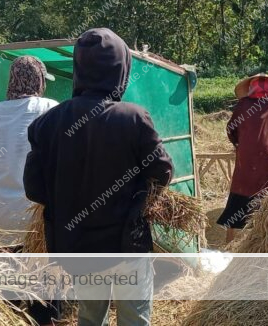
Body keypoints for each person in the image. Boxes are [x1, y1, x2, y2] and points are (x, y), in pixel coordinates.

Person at [23, 28, 173, 326]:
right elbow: (163, 172)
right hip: (126, 245)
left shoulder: (47, 122)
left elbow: (34, 189)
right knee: (134, 319)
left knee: (90, 318)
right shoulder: (133, 118)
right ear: (121, 69)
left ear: (79, 68)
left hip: (78, 248)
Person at [0, 56, 60, 325]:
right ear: (38, 80)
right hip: (37, 215)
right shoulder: (49, 108)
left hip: (1, 215)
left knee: (8, 293)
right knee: (44, 293)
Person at [217, 74, 268, 243]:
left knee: (240, 189)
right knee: (264, 192)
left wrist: (239, 143)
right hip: (266, 155)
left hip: (245, 154)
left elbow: (231, 129)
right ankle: (261, 237)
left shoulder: (243, 104)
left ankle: (230, 239)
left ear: (251, 88)